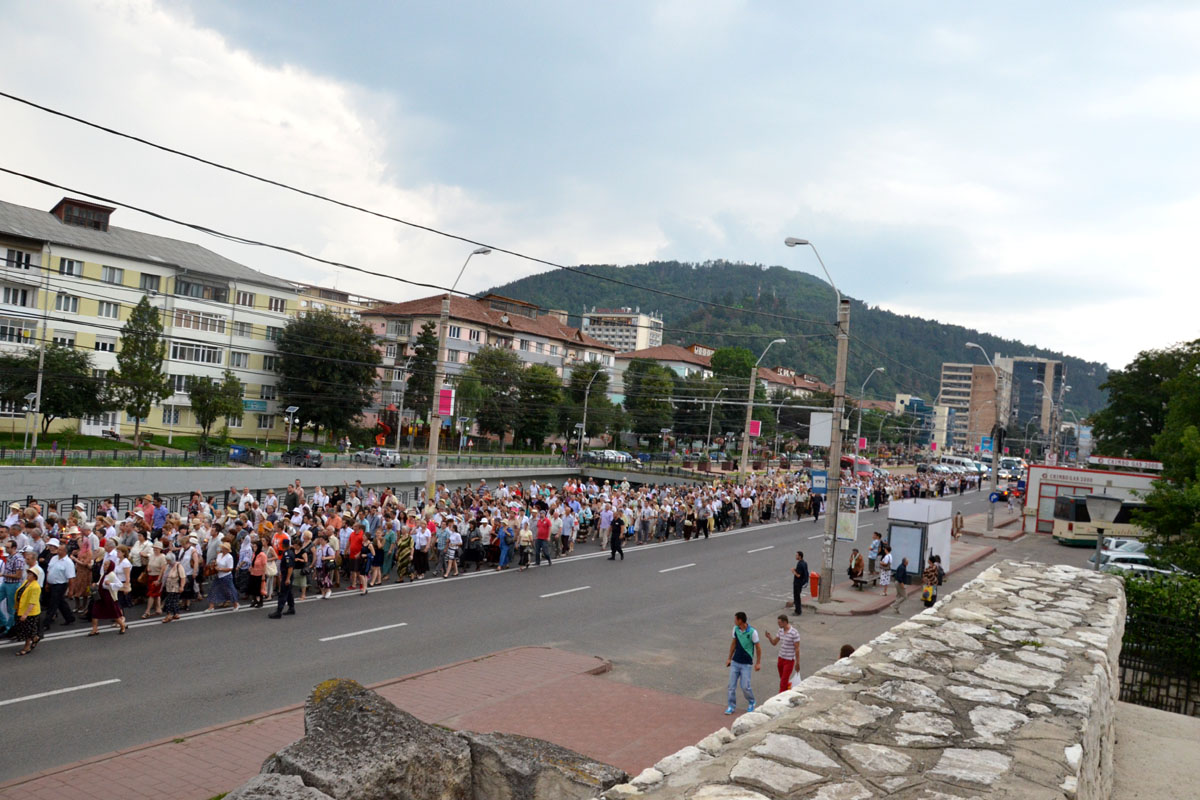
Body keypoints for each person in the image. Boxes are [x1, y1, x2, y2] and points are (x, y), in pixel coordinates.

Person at [724, 611, 760, 715]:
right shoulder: (735, 629)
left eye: (735, 619)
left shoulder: (752, 632)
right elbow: (733, 644)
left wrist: (758, 663)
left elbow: (758, 648)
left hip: (746, 664)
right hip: (735, 662)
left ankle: (752, 701)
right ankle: (731, 706)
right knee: (731, 686)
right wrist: (729, 658)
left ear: (740, 620)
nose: (734, 621)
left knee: (745, 686)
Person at [13, 550, 41, 656]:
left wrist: (25, 614)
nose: (28, 575)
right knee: (24, 629)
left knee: (28, 631)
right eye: (28, 573)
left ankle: (27, 646)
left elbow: (32, 602)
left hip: (30, 612)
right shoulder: (26, 582)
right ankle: (35, 638)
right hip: (21, 609)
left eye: (30, 574)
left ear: (34, 576)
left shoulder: (35, 586)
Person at [88, 561, 128, 635]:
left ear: (110, 566)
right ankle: (95, 629)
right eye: (104, 564)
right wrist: (96, 584)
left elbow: (119, 585)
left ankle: (122, 626)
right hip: (100, 596)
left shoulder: (112, 575)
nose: (104, 566)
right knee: (95, 612)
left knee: (114, 613)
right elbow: (101, 583)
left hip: (108, 596)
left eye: (106, 565)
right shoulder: (104, 574)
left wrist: (110, 584)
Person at [764, 613, 801, 693]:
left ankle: (780, 698)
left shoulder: (794, 633)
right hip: (781, 658)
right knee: (783, 680)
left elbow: (797, 649)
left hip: (789, 660)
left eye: (779, 623)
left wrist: (797, 663)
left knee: (783, 682)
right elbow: (774, 643)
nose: (778, 624)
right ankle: (787, 692)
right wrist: (769, 637)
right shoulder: (780, 631)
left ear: (785, 622)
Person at [203, 543, 239, 612]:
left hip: (226, 576)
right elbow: (217, 562)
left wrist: (220, 569)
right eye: (222, 547)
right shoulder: (219, 555)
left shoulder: (229, 557)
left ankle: (236, 604)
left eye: (224, 548)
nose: (222, 549)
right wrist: (214, 564)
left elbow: (230, 568)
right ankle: (211, 607)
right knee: (213, 589)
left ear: (227, 550)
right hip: (218, 575)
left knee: (230, 591)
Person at [268, 537, 296, 618]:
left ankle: (278, 611)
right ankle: (291, 608)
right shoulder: (288, 552)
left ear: (283, 545)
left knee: (283, 594)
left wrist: (287, 578)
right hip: (286, 575)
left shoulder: (287, 554)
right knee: (289, 593)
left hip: (287, 576)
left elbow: (290, 567)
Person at [161, 553, 185, 623]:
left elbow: (183, 577)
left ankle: (168, 616)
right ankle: (176, 614)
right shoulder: (168, 566)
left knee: (169, 601)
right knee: (174, 601)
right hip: (168, 587)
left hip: (175, 587)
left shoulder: (178, 566)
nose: (167, 561)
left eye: (168, 560)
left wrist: (182, 586)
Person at [791, 551, 809, 616]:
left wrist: (793, 571)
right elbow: (803, 572)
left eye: (797, 555)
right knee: (797, 596)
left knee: (797, 597)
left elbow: (798, 575)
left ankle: (798, 611)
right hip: (801, 583)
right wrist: (796, 569)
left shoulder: (800, 564)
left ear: (800, 556)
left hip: (797, 583)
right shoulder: (804, 563)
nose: (796, 556)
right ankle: (798, 609)